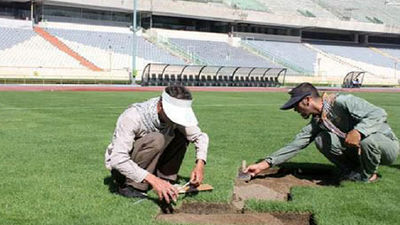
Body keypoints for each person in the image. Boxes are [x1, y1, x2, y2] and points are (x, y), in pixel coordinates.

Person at [245, 82, 399, 182]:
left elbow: (379, 113)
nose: (295, 110)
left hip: (386, 146)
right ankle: (352, 172)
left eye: (296, 106)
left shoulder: (344, 101)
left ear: (307, 100)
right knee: (321, 139)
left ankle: (368, 176)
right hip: (360, 151)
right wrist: (264, 165)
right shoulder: (319, 120)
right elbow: (297, 144)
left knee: (367, 140)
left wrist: (358, 131)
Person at [104, 85, 208, 203]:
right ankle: (132, 186)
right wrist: (154, 181)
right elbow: (117, 159)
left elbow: (200, 136)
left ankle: (166, 179)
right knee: (157, 139)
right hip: (122, 171)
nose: (177, 120)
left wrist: (200, 164)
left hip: (150, 163)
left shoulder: (172, 118)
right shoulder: (133, 116)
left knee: (182, 135)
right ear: (161, 106)